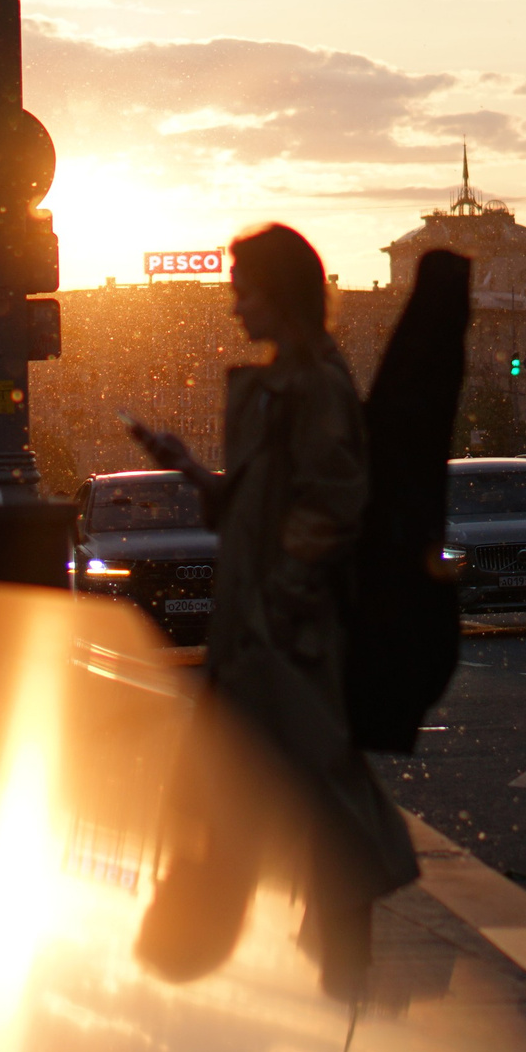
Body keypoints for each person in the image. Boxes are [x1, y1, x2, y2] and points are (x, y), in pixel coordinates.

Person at [133, 222, 418, 992]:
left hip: (291, 633)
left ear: (282, 294)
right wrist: (194, 471)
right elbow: (258, 507)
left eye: (245, 289)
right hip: (258, 628)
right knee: (264, 797)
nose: (233, 305)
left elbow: (329, 505)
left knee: (322, 804)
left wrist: (281, 604)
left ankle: (342, 979)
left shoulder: (317, 387)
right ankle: (320, 975)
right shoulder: (277, 385)